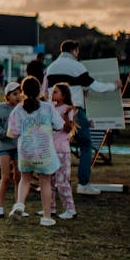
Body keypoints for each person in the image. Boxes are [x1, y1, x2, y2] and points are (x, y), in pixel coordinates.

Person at [45, 39, 114, 196]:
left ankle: (52, 181)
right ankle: (83, 183)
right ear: (74, 50)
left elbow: (48, 91)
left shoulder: (51, 67)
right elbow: (96, 86)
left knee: (56, 146)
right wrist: (114, 86)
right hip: (74, 110)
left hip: (54, 112)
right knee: (85, 144)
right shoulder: (77, 66)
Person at [6, 76, 64, 227]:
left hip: (26, 152)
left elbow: (13, 132)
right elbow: (59, 125)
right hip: (44, 152)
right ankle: (46, 217)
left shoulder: (18, 109)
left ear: (23, 92)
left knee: (25, 179)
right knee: (45, 183)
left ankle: (19, 204)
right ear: (39, 91)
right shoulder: (48, 107)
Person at [47, 83, 78, 220]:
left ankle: (70, 209)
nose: (52, 94)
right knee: (49, 181)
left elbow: (68, 129)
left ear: (64, 95)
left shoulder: (67, 109)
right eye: (52, 91)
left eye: (56, 92)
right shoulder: (51, 108)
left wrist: (65, 116)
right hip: (50, 149)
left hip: (61, 151)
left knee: (62, 181)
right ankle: (50, 207)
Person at [0, 82, 22, 218]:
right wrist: (3, 133)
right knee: (6, 177)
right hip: (4, 146)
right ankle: (0, 206)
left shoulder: (21, 109)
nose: (17, 97)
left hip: (17, 146)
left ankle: (18, 206)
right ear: (7, 96)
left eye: (19, 94)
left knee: (18, 177)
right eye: (14, 94)